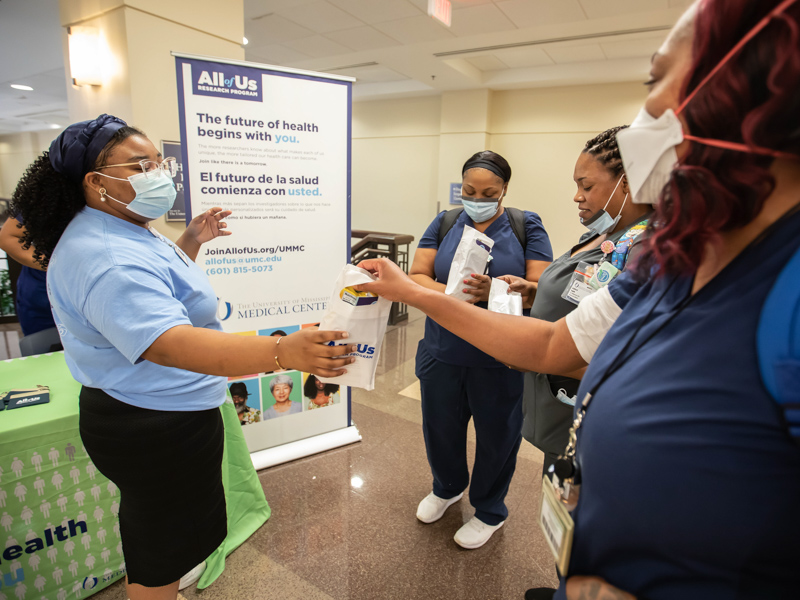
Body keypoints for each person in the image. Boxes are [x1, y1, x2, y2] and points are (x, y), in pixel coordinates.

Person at [357, 0, 800, 597]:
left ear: (765, 95)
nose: (646, 108)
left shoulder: (784, 299)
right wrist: (413, 289)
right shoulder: (672, 257)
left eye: (661, 78)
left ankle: (487, 508)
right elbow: (552, 343)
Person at [10, 114, 356, 600]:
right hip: (152, 423)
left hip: (167, 411)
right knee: (158, 547)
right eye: (139, 165)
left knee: (165, 535)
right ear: (94, 181)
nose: (158, 175)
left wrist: (190, 242)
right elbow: (171, 342)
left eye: (159, 162)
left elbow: (157, 294)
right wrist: (282, 350)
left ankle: (167, 576)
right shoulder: (105, 254)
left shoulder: (125, 225)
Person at [410, 150, 553, 549]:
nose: (477, 198)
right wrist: (457, 296)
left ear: (504, 190)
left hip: (499, 358)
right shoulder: (447, 221)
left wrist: (495, 291)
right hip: (442, 351)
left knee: (497, 436)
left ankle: (490, 510)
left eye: (488, 192)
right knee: (440, 428)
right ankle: (447, 487)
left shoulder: (526, 226)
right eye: (469, 190)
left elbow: (540, 291)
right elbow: (418, 274)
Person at [503, 126, 651, 476]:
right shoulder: (605, 235)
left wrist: (538, 354)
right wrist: (536, 292)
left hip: (595, 423)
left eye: (586, 186)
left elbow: (636, 360)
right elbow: (593, 298)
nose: (577, 196)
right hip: (558, 409)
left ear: (627, 182)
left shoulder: (646, 251)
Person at [0, 216, 56, 336]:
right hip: (44, 294)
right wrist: (58, 266)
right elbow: (8, 237)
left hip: (94, 293)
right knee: (48, 347)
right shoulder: (46, 198)